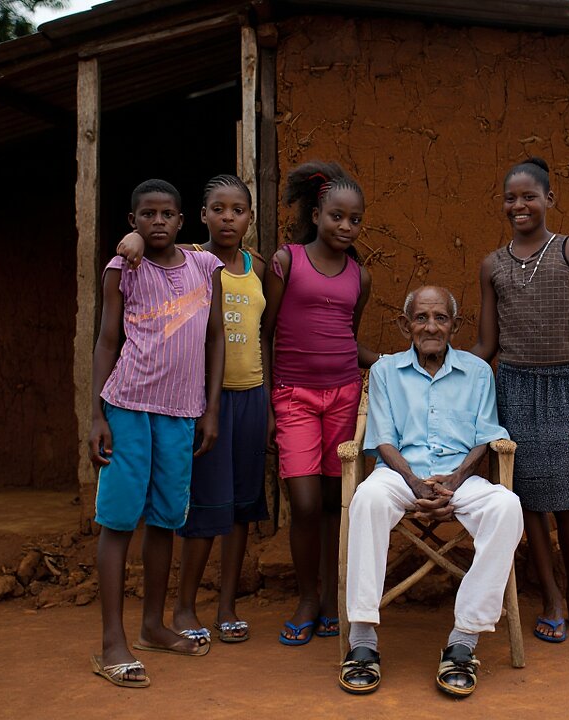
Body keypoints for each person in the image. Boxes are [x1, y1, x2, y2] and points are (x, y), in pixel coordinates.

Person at [340, 286, 523, 697]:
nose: (431, 326)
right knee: (367, 499)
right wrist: (416, 483)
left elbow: (485, 436)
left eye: (440, 318)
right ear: (406, 325)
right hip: (401, 475)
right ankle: (363, 639)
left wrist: (455, 481)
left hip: (460, 478)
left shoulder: (478, 372)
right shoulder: (386, 372)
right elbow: (383, 439)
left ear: (454, 326)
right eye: (421, 318)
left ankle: (463, 641)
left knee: (507, 506)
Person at [116, 174, 269, 645]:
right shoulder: (191, 260)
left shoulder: (259, 266)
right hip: (200, 401)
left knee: (243, 506)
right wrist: (134, 237)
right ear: (200, 216)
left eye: (238, 209)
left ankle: (226, 606)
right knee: (203, 506)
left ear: (250, 216)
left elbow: (270, 332)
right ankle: (184, 608)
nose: (228, 217)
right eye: (217, 208)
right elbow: (148, 239)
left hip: (253, 394)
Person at [88, 179, 224, 688]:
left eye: (168, 213)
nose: (159, 221)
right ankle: (110, 642)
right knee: (120, 521)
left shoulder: (204, 267)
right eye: (148, 215)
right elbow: (106, 340)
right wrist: (97, 414)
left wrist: (210, 409)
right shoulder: (122, 268)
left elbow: (215, 339)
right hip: (126, 405)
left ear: (183, 221)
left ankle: (151, 626)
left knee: (165, 520)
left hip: (182, 411)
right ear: (133, 222)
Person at [471, 156, 569, 643]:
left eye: (529, 196)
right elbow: (487, 346)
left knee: (568, 499)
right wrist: (433, 365)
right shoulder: (493, 264)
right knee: (526, 500)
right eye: (511, 198)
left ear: (550, 199)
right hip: (516, 390)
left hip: (566, 386)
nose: (519, 205)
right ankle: (549, 594)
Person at [261, 160, 376, 646]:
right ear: (315, 214)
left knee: (336, 503)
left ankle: (331, 598)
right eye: (336, 217)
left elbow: (348, 340)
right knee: (304, 502)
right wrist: (268, 402)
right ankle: (307, 596)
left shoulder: (360, 277)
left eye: (354, 220)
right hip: (294, 397)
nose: (345, 227)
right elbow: (265, 335)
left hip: (345, 396)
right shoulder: (287, 262)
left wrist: (396, 359)